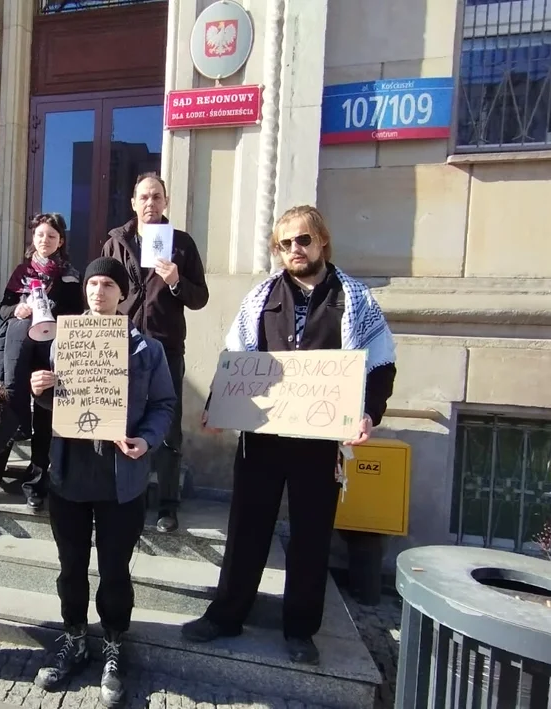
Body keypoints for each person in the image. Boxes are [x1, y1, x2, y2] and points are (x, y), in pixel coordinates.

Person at [181, 205, 397, 666]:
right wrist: (218, 404)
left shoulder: (355, 298)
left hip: (319, 441)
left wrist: (369, 413)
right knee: (246, 528)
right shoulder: (260, 296)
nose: (294, 250)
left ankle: (300, 629)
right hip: (263, 436)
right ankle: (226, 615)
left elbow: (380, 362)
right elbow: (236, 357)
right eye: (285, 244)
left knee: (311, 535)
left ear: (321, 242)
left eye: (302, 240)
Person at [28, 256, 177, 707]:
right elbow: (62, 406)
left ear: (122, 293)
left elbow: (166, 405)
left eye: (108, 284)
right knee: (70, 566)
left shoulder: (147, 350)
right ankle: (74, 636)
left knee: (114, 569)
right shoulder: (62, 342)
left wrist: (146, 440)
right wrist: (42, 389)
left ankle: (113, 643)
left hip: (120, 481)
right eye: (92, 283)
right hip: (70, 474)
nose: (98, 291)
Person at [101, 173, 208, 533]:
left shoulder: (182, 243)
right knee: (119, 418)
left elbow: (200, 298)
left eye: (157, 197)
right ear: (133, 202)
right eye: (144, 197)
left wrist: (177, 280)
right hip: (122, 344)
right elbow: (102, 287)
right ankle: (124, 493)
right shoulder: (116, 242)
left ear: (166, 202)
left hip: (165, 345)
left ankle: (167, 505)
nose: (150, 203)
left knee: (167, 425)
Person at [0, 212, 85, 509]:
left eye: (51, 236)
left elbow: (77, 316)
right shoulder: (21, 271)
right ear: (33, 238)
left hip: (52, 353)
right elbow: (2, 310)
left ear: (60, 241)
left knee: (45, 415)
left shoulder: (70, 275)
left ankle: (37, 483)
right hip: (17, 352)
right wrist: (19, 309)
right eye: (40, 235)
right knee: (10, 400)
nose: (45, 240)